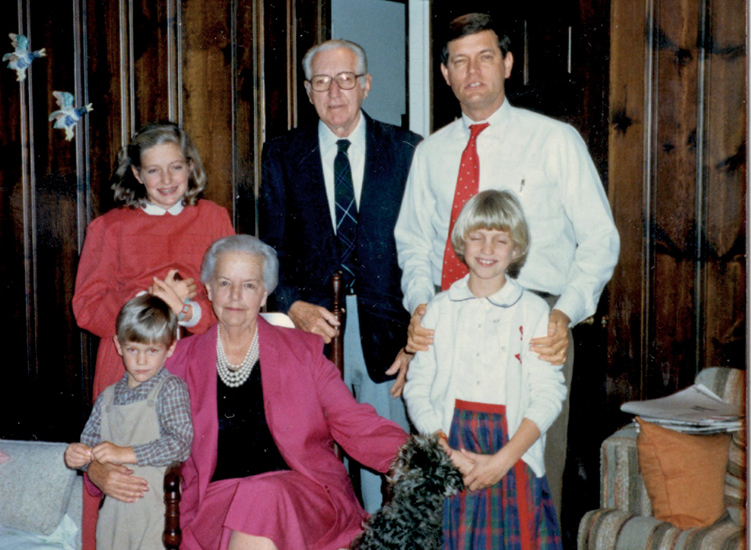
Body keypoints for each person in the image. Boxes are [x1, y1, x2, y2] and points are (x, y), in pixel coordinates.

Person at [394, 13, 620, 517]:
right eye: (460, 60)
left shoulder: (555, 141)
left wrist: (566, 311)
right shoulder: (430, 153)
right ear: (445, 73)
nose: (473, 70)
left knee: (531, 479)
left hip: (535, 324)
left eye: (486, 56)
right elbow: (412, 243)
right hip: (449, 322)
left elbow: (601, 238)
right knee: (444, 477)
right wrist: (420, 307)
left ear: (508, 64)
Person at [86, 235, 409, 550]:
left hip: (303, 492)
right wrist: (96, 469)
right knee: (259, 499)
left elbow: (354, 423)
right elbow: (126, 421)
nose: (235, 296)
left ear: (265, 293)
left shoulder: (302, 352)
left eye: (249, 285)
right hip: (216, 504)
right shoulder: (179, 359)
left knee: (264, 495)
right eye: (225, 283)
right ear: (208, 289)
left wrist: (430, 456)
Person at [260, 39, 422, 512]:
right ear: (308, 91)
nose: (335, 92)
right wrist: (291, 303)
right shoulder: (283, 154)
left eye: (346, 79)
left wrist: (416, 337)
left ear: (366, 85)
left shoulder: (408, 150)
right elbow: (270, 248)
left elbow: (427, 253)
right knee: (314, 460)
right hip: (309, 330)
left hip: (388, 339)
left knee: (385, 463)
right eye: (322, 82)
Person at [72, 121, 234, 549]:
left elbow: (234, 297)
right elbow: (86, 306)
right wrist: (151, 304)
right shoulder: (109, 227)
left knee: (197, 469)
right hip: (130, 362)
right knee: (124, 477)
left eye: (176, 167)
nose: (167, 181)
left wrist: (189, 310)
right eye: (154, 170)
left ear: (191, 167)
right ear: (137, 174)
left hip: (194, 357)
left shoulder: (214, 217)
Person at [403, 190, 566, 549]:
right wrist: (450, 455)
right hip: (449, 443)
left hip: (513, 449)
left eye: (500, 240)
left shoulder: (534, 311)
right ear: (462, 243)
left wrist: (504, 460)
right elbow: (417, 388)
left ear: (517, 247)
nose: (487, 249)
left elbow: (548, 393)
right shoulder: (440, 309)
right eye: (477, 237)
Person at [65, 294, 193, 550]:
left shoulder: (170, 388)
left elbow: (180, 444)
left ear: (170, 348)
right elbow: (89, 448)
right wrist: (77, 455)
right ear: (118, 345)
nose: (142, 360)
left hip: (156, 512)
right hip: (113, 516)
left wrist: (123, 452)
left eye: (152, 350)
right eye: (133, 349)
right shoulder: (107, 398)